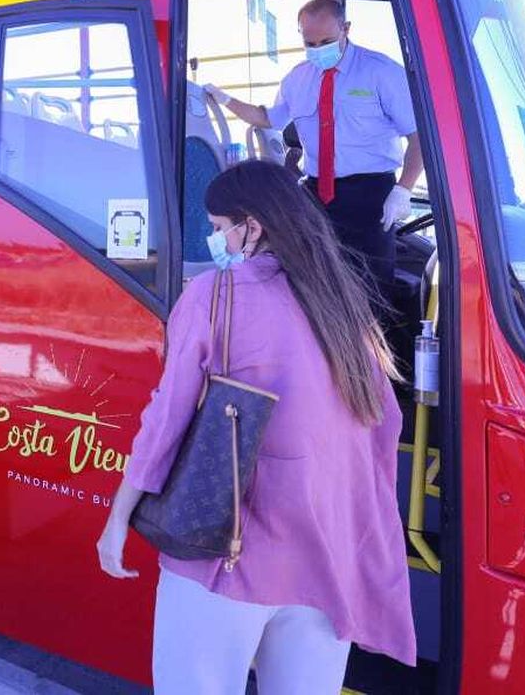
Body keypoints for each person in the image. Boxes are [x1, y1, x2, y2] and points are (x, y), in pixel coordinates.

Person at [96, 161, 415, 694]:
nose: (215, 239)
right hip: (326, 565)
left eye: (220, 227)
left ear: (253, 226)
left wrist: (118, 514)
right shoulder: (345, 304)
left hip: (228, 557)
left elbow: (166, 417)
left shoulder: (214, 295)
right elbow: (382, 435)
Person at [206, 0, 421, 286]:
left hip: (371, 195)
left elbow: (417, 137)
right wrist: (224, 99)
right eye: (310, 44)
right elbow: (267, 118)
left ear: (346, 28)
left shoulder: (380, 72)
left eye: (326, 41)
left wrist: (403, 189)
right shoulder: (297, 79)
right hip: (317, 195)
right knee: (315, 282)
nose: (318, 50)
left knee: (372, 285)